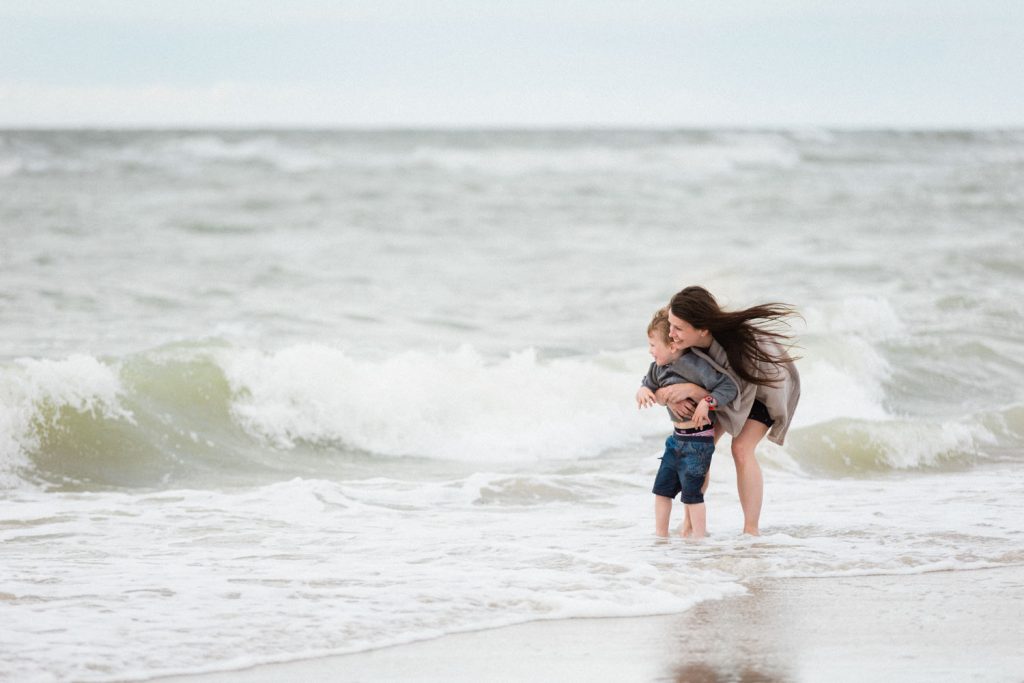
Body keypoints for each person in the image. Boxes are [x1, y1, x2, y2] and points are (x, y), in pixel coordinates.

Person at [654, 286, 801, 536]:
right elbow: (660, 380)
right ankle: (691, 524)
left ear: (702, 329)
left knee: (741, 448)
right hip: (724, 393)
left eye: (678, 328)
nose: (671, 334)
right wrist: (670, 399)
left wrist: (691, 389)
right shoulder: (686, 344)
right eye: (670, 324)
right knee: (700, 444)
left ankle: (751, 531)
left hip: (766, 389)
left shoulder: (734, 347)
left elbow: (733, 392)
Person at [636, 308, 738, 539]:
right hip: (675, 441)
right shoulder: (657, 368)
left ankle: (698, 539)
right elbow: (647, 384)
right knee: (661, 490)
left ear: (672, 346)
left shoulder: (696, 365)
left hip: (699, 442)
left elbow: (728, 387)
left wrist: (707, 402)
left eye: (653, 345)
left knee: (692, 494)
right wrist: (643, 391)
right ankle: (660, 536)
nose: (650, 351)